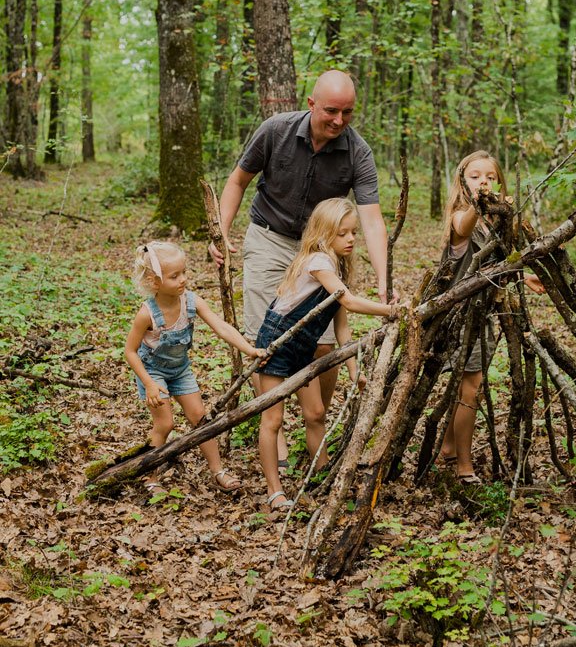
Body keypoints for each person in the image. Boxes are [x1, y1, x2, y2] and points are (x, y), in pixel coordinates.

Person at [210, 70, 393, 472]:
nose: (339, 121)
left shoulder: (357, 152)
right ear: (311, 104)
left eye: (348, 113)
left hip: (322, 249)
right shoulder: (275, 130)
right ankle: (270, 424)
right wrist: (220, 234)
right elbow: (238, 181)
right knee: (267, 339)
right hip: (270, 238)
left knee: (323, 343)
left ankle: (315, 423)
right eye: (331, 111)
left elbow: (372, 219)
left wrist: (382, 281)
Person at [253, 198, 404, 509]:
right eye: (342, 233)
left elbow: (342, 325)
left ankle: (321, 474)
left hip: (303, 347)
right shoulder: (318, 262)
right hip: (278, 343)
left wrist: (352, 370)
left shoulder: (334, 266)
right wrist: (391, 310)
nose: (350, 239)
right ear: (322, 234)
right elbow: (348, 301)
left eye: (353, 233)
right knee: (273, 419)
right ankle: (274, 490)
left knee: (316, 413)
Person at [125, 241, 267, 496]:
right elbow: (130, 351)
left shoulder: (191, 301)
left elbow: (221, 327)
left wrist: (249, 349)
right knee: (165, 424)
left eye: (184, 273)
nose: (183, 280)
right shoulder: (147, 314)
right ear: (154, 281)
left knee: (199, 418)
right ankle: (151, 476)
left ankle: (218, 471)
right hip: (153, 373)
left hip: (180, 370)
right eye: (174, 276)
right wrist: (148, 383)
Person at [438, 151, 545, 484]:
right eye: (475, 176)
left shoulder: (495, 223)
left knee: (470, 384)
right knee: (469, 389)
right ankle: (464, 467)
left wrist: (523, 277)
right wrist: (477, 203)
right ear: (462, 181)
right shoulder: (460, 215)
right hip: (459, 317)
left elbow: (494, 267)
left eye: (490, 177)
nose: (483, 182)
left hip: (482, 315)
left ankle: (449, 447)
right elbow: (463, 227)